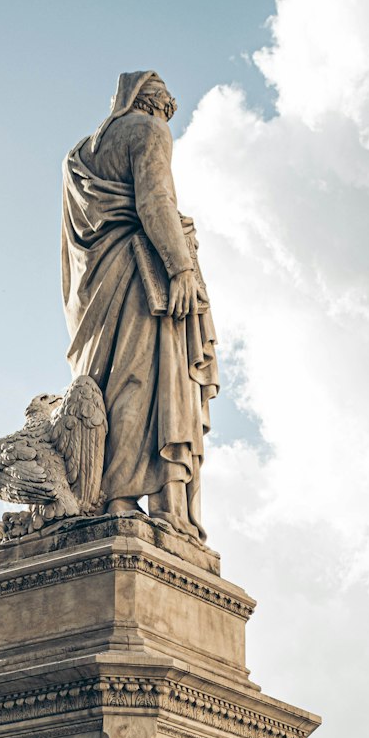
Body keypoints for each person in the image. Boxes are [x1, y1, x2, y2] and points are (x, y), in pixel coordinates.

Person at [61, 70, 218, 541]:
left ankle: (111, 492)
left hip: (95, 287)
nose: (167, 117)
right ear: (152, 103)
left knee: (110, 384)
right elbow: (155, 200)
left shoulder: (75, 157)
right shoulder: (148, 130)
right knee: (149, 380)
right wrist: (181, 268)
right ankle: (143, 499)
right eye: (166, 107)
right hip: (141, 273)